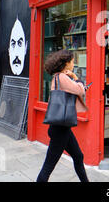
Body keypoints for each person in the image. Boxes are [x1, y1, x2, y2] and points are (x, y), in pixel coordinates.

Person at [37, 49, 89, 182]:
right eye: (72, 61)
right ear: (66, 63)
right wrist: (76, 78)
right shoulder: (62, 77)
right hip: (60, 130)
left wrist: (72, 78)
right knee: (48, 167)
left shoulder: (58, 77)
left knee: (78, 156)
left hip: (61, 128)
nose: (73, 64)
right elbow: (80, 90)